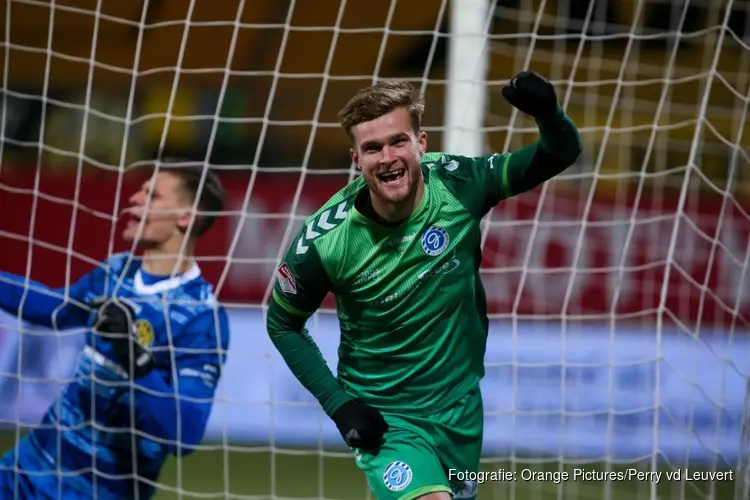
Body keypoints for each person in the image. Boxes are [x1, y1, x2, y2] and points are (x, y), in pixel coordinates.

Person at [267, 72, 582, 499]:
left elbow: (560, 151)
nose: (388, 157)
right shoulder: (323, 242)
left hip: (459, 408)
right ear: (356, 159)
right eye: (372, 148)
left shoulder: (460, 184)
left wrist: (548, 113)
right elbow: (282, 323)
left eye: (398, 141)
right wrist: (339, 406)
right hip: (387, 418)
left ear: (422, 143)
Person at [0, 161, 230, 499]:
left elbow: (184, 434)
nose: (134, 197)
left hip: (98, 491)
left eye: (152, 195)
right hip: (26, 469)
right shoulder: (117, 270)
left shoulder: (201, 318)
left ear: (185, 216)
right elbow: (55, 310)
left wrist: (132, 353)